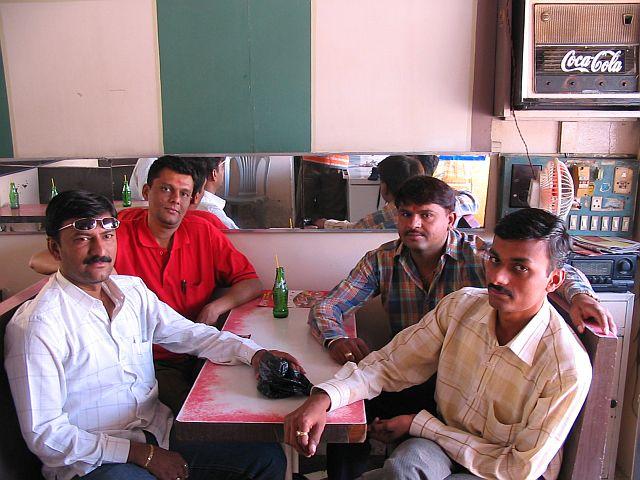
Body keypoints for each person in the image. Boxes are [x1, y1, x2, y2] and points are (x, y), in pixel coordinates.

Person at [310, 176, 611, 479]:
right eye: (405, 214)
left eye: (426, 214)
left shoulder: (477, 256)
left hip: (497, 459)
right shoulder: (442, 294)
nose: (498, 278)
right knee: (356, 417)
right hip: (431, 383)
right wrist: (324, 390)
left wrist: (581, 294)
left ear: (450, 219)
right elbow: (386, 360)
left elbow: (518, 467)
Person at [6, 190, 292, 480]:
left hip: (158, 434)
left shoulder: (131, 292)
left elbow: (191, 334)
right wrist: (141, 455)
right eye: (83, 239)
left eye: (107, 236)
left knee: (264, 458)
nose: (99, 251)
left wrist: (254, 353)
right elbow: (46, 436)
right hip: (95, 464)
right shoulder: (38, 325)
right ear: (55, 250)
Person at [29, 155, 264, 415]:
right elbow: (37, 259)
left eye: (184, 193)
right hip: (151, 362)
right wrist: (104, 270)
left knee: (247, 397)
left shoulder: (203, 231)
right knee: (199, 416)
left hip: (197, 347)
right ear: (146, 191)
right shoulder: (118, 231)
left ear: (194, 199)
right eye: (166, 189)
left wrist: (216, 307)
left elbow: (251, 283)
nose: (175, 199)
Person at [315, 155, 477, 229]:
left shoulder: (387, 216)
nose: (414, 224)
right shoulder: (449, 205)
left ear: (384, 187)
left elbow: (356, 229)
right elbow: (471, 200)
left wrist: (325, 224)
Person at [298, 154, 350, 225]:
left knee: (305, 210)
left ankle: (302, 233)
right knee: (333, 215)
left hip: (311, 159)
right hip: (337, 162)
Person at [191, 156, 240, 229]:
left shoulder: (189, 203)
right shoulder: (212, 211)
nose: (224, 171)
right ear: (214, 174)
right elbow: (241, 238)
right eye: (223, 166)